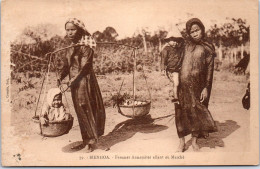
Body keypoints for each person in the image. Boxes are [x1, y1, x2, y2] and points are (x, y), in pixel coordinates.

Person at [57, 18, 106, 152]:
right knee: (79, 111)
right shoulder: (70, 47)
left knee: (87, 108)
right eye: (67, 30)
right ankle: (86, 140)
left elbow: (85, 66)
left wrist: (74, 80)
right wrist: (60, 77)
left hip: (85, 81)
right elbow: (67, 66)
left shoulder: (86, 46)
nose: (70, 32)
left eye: (73, 29)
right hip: (75, 83)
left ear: (80, 30)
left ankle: (92, 141)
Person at [175, 18, 217, 152]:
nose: (195, 34)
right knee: (180, 113)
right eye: (192, 32)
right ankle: (181, 143)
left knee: (196, 113)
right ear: (188, 33)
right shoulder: (184, 46)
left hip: (198, 87)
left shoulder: (208, 48)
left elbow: (210, 70)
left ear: (202, 29)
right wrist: (173, 81)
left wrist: (206, 87)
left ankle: (194, 141)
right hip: (182, 86)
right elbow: (174, 62)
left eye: (197, 30)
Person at [161, 37, 184, 102]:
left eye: (176, 41)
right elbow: (163, 60)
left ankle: (180, 96)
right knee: (176, 83)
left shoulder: (178, 49)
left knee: (181, 82)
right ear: (168, 41)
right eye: (173, 41)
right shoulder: (166, 49)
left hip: (179, 69)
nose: (175, 43)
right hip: (172, 69)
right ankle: (175, 97)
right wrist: (163, 69)